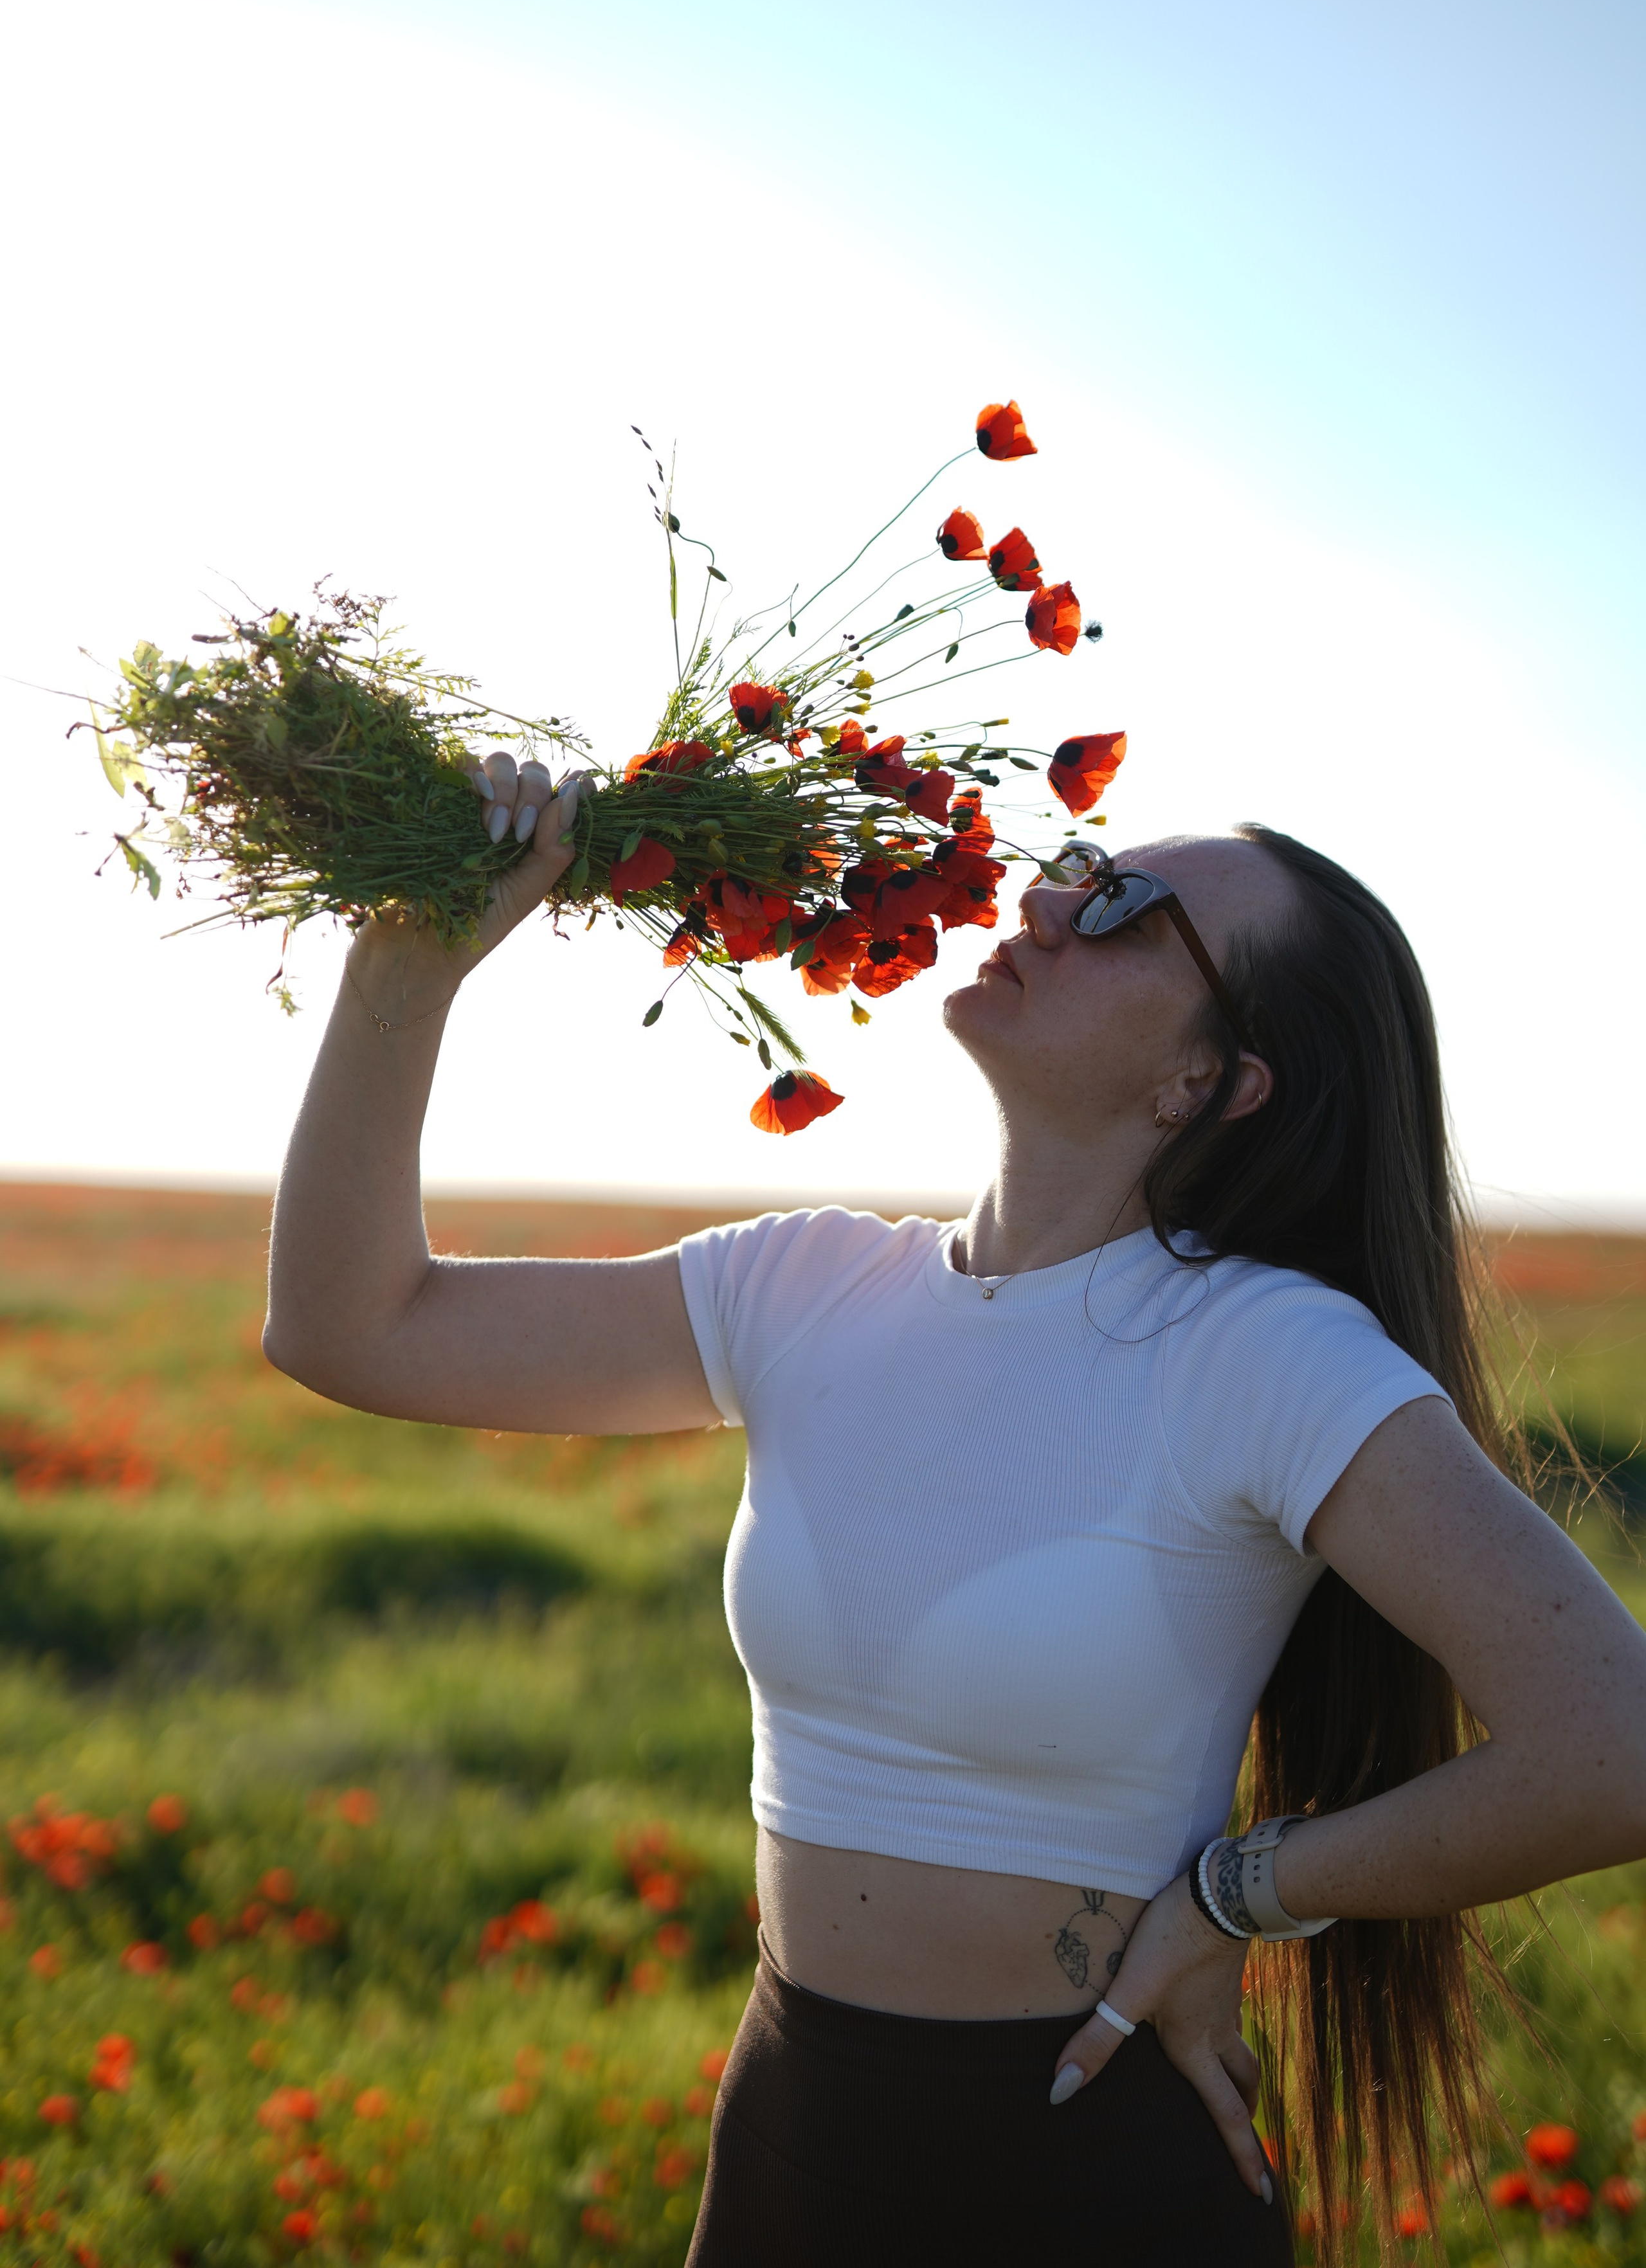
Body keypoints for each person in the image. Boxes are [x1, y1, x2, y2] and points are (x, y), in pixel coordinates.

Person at [263, 757, 1646, 2266]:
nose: (1047, 900)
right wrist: (410, 957)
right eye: (1076, 861)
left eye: (1120, 909)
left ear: (1206, 1083)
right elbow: (352, 1330)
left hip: (1088, 2163)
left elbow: (1610, 1749)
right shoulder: (801, 1287)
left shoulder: (1267, 1356)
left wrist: (1240, 1893)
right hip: (792, 2129)